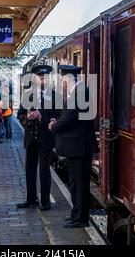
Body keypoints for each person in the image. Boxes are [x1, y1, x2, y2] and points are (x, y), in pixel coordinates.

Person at [49, 65, 98, 228]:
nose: (63, 83)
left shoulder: (80, 93)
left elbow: (70, 117)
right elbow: (70, 116)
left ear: (69, 79)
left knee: (79, 184)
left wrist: (54, 126)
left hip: (79, 147)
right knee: (76, 183)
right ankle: (76, 215)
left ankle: (80, 219)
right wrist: (58, 122)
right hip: (77, 146)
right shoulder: (79, 92)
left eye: (63, 80)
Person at [17, 64, 61, 211]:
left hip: (46, 138)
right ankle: (31, 200)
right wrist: (27, 117)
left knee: (44, 170)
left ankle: (45, 201)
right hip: (30, 138)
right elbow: (20, 115)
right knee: (29, 170)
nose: (43, 80)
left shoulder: (56, 96)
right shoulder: (27, 95)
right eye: (41, 77)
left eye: (46, 77)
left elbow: (59, 117)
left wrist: (42, 117)